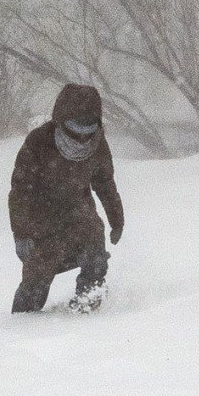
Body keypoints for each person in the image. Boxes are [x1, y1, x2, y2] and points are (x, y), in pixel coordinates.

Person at [8, 83, 124, 313]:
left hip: (80, 215)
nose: (82, 138)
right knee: (36, 280)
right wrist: (21, 234)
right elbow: (20, 191)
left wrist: (116, 219)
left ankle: (88, 306)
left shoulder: (98, 144)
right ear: (60, 121)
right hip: (42, 221)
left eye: (88, 131)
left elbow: (105, 183)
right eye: (74, 129)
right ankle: (21, 324)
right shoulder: (38, 142)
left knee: (95, 258)